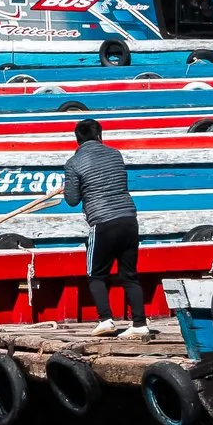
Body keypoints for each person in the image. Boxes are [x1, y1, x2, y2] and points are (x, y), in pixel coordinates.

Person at [62, 117, 144, 335]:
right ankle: (140, 324)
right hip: (128, 218)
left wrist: (70, 185)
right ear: (100, 136)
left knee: (95, 274)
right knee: (129, 275)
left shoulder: (73, 163)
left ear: (77, 140)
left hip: (103, 222)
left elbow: (71, 199)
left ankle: (106, 319)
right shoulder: (116, 154)